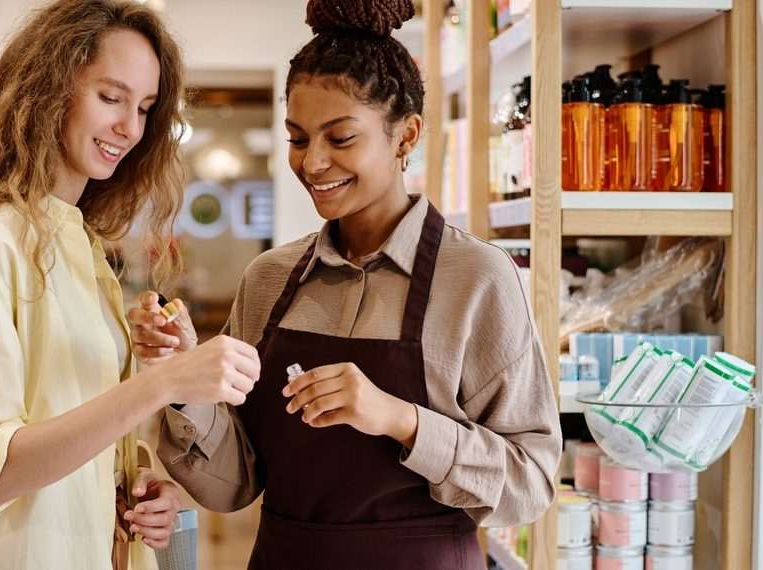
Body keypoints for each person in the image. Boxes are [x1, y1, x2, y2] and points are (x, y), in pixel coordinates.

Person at [129, 0, 561, 567]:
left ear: (406, 136)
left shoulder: (477, 277)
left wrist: (401, 420)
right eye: (298, 138)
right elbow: (234, 484)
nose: (312, 163)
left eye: (340, 138)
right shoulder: (268, 280)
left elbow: (530, 483)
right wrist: (187, 378)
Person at [0, 1, 260, 568]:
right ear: (47, 91)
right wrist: (162, 384)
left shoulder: (77, 245)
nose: (130, 128)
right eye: (110, 98)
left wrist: (130, 486)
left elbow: (69, 435)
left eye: (144, 108)